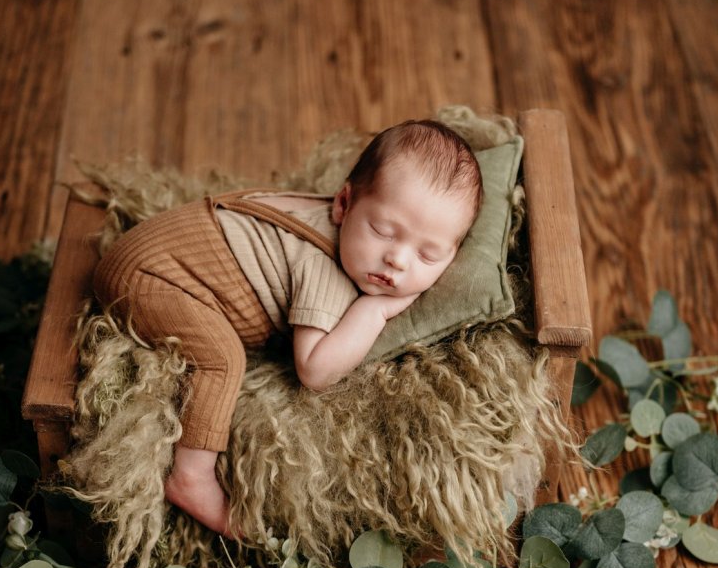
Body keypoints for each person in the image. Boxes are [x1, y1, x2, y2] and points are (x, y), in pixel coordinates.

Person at [93, 120, 482, 536]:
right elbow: (314, 370)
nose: (398, 261)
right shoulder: (325, 268)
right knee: (221, 361)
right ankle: (190, 476)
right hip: (148, 279)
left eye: (428, 255)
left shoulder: (342, 220)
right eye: (383, 232)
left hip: (150, 250)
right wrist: (374, 313)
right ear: (343, 204)